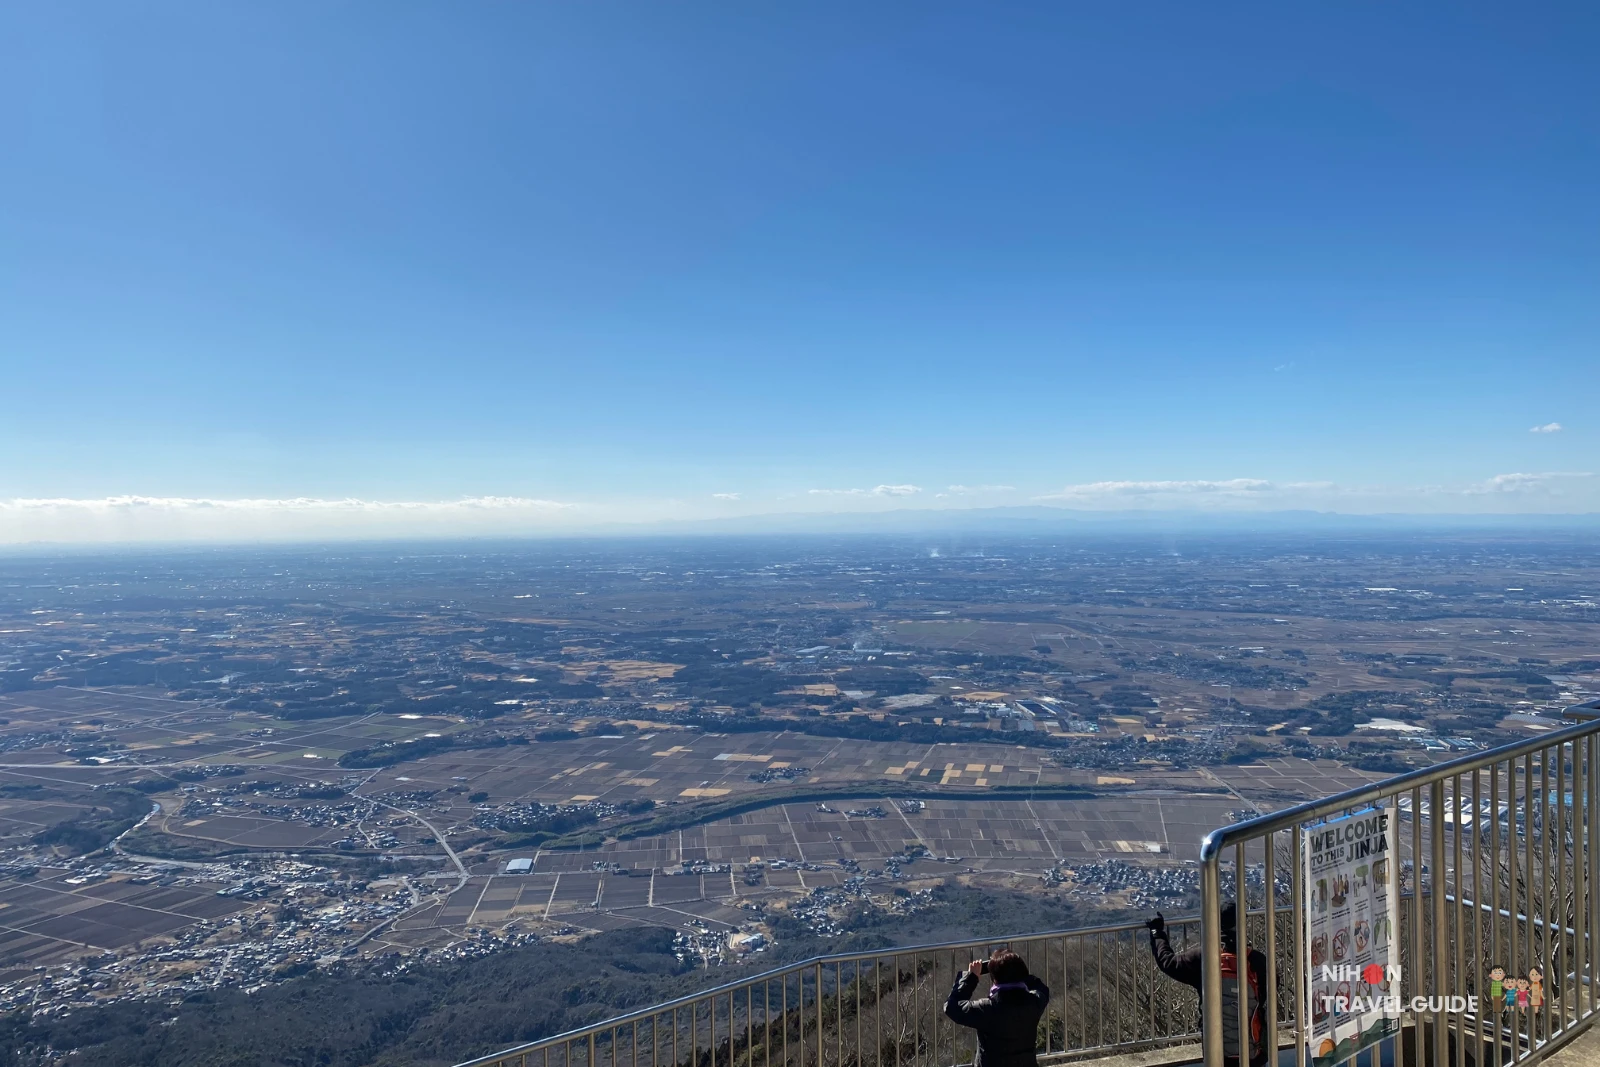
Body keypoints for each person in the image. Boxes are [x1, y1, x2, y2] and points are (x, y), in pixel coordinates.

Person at [1148, 908, 1269, 1067]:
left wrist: (1157, 932)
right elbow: (1267, 993)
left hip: (1217, 1052)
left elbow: (1168, 963)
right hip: (1254, 1053)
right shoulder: (1258, 961)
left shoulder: (1203, 958)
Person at [943, 948, 1051, 1067]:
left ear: (995, 978)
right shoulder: (1034, 1002)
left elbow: (952, 1007)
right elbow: (1042, 989)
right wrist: (1018, 973)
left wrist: (971, 978)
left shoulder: (986, 1008)